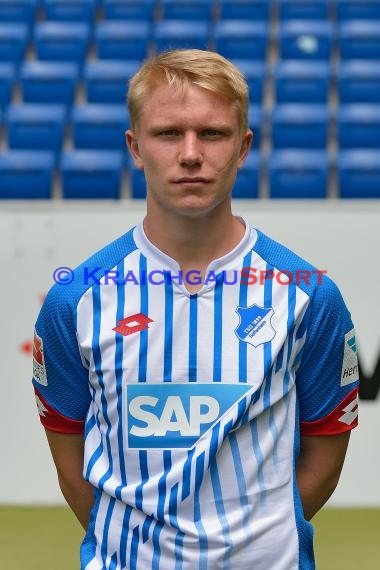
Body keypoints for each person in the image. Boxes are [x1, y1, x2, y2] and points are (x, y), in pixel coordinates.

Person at [32, 49, 359, 570]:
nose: (190, 154)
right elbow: (69, 455)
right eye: (167, 134)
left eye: (212, 134)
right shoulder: (76, 300)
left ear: (243, 146)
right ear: (135, 149)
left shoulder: (309, 296)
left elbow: (326, 445)